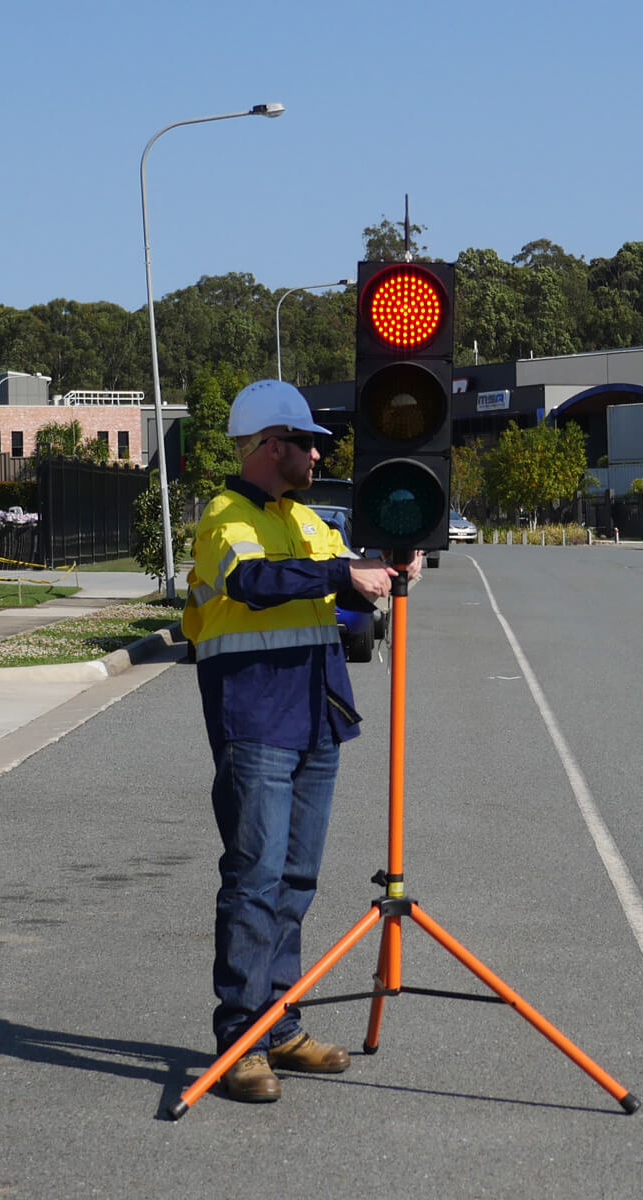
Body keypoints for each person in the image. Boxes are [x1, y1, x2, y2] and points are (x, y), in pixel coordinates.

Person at [182, 378, 420, 1104]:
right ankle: (241, 1039)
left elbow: (341, 592)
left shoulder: (311, 521)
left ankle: (279, 1023)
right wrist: (338, 574)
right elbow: (252, 581)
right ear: (269, 446)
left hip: (317, 720)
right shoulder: (226, 519)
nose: (320, 453)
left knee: (295, 882)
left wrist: (382, 573)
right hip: (256, 722)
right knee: (254, 882)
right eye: (308, 442)